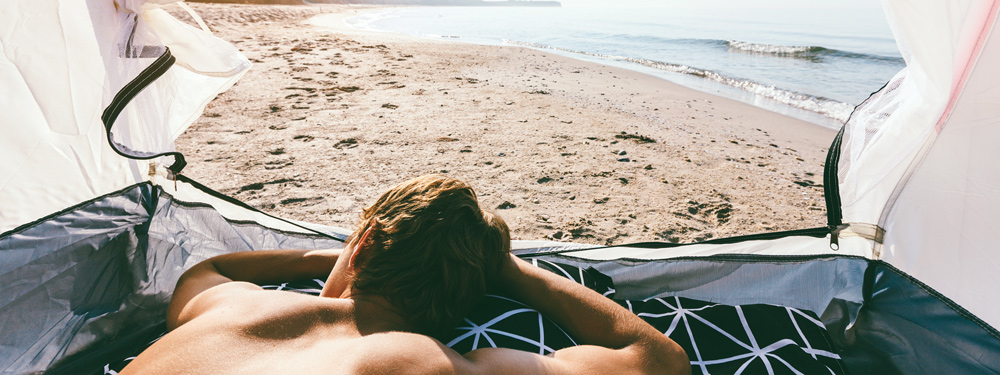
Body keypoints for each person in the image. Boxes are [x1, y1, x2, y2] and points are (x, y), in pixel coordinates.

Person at [122, 174, 690, 374]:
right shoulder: (427, 362)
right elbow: (660, 361)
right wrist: (512, 272)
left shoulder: (236, 307)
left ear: (364, 244)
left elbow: (209, 266)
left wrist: (337, 257)